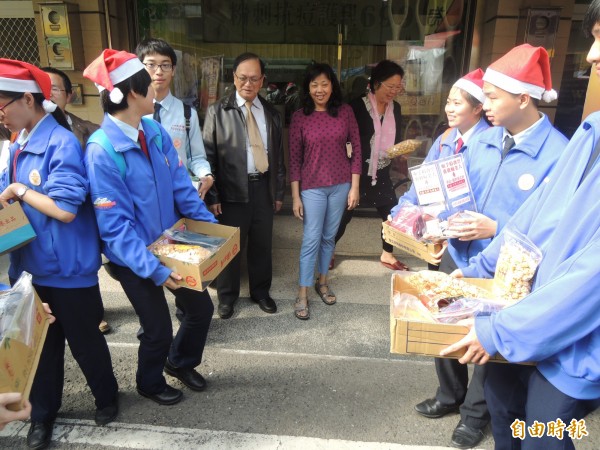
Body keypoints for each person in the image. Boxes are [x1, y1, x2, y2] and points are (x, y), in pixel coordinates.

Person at [442, 3, 600, 448]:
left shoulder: (562, 143)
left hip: (572, 341)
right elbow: (537, 218)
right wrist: (478, 269)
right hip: (524, 308)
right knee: (503, 405)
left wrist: (501, 331)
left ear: (523, 98)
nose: (590, 56)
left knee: (545, 434)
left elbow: (591, 278)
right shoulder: (592, 131)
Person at [413, 46, 568, 450]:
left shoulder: (559, 154)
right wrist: (437, 222)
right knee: (448, 327)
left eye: (493, 97)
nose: (485, 105)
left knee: (490, 351)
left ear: (523, 97)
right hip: (462, 257)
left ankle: (474, 417)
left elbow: (554, 227)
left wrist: (494, 227)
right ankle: (450, 395)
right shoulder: (482, 141)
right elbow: (457, 192)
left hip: (511, 275)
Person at [83, 49, 216, 406]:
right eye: (147, 84)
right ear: (131, 95)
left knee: (201, 309)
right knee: (157, 328)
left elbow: (180, 187)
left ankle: (179, 362)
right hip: (134, 257)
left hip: (170, 243)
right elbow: (115, 230)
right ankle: (149, 382)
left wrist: (213, 230)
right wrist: (154, 270)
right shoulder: (102, 150)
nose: (156, 87)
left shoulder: (153, 131)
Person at [0, 58, 119, 450]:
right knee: (42, 351)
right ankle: (42, 416)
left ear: (29, 99)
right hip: (31, 269)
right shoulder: (17, 144)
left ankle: (107, 398)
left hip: (68, 270)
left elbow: (65, 209)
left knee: (86, 343)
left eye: (3, 103)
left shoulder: (61, 142)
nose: (0, 113)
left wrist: (19, 191)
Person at [203, 52, 286, 320]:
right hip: (231, 190)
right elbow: (208, 157)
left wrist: (278, 193)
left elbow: (278, 156)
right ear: (233, 77)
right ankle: (227, 297)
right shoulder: (218, 111)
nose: (247, 83)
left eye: (254, 78)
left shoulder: (271, 113)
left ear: (262, 80)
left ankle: (261, 292)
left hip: (263, 187)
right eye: (242, 78)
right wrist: (213, 194)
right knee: (229, 247)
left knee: (262, 244)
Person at [390, 68, 490, 266]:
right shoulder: (445, 139)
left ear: (478, 108)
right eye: (448, 102)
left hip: (468, 246)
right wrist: (400, 212)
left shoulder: (489, 145)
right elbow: (421, 184)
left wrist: (439, 224)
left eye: (457, 103)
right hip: (435, 237)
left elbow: (478, 202)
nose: (449, 109)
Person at [41, 66, 111, 336]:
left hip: (78, 219)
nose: (48, 94)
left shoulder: (87, 131)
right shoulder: (17, 134)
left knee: (84, 275)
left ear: (69, 95)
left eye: (54, 88)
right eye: (42, 88)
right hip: (43, 229)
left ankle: (94, 314)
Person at [288, 63, 361, 320]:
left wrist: (354, 187)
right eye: (314, 84)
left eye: (325, 84)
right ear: (307, 88)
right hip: (311, 188)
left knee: (329, 237)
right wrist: (295, 196)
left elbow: (357, 150)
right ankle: (302, 292)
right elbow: (294, 160)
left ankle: (322, 282)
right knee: (311, 239)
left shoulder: (345, 112)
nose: (320, 90)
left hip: (341, 185)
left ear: (332, 85)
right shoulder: (299, 117)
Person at [334, 60, 409, 272]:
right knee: (343, 217)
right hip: (356, 172)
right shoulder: (356, 107)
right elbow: (344, 140)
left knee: (391, 215)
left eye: (398, 87)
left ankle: (388, 254)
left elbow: (397, 139)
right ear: (376, 84)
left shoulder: (397, 109)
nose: (394, 91)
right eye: (390, 86)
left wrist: (402, 151)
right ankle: (328, 250)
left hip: (382, 171)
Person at [135, 38, 215, 199]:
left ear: (173, 70)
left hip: (176, 194)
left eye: (165, 65)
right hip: (141, 195)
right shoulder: (132, 112)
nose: (159, 71)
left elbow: (195, 157)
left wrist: (206, 175)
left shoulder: (187, 114)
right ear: (139, 68)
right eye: (151, 64)